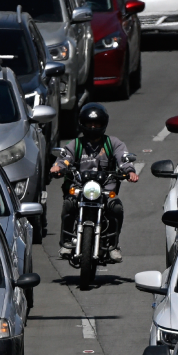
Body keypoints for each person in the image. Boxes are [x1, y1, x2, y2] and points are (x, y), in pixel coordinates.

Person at [51, 103, 138, 262]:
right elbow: (64, 158)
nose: (92, 126)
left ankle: (113, 245)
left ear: (103, 123)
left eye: (96, 123)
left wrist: (129, 171)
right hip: (79, 190)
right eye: (89, 123)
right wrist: (58, 167)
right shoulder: (75, 144)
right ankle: (67, 241)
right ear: (82, 124)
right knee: (68, 204)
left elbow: (123, 158)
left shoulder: (113, 143)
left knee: (116, 208)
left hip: (105, 191)